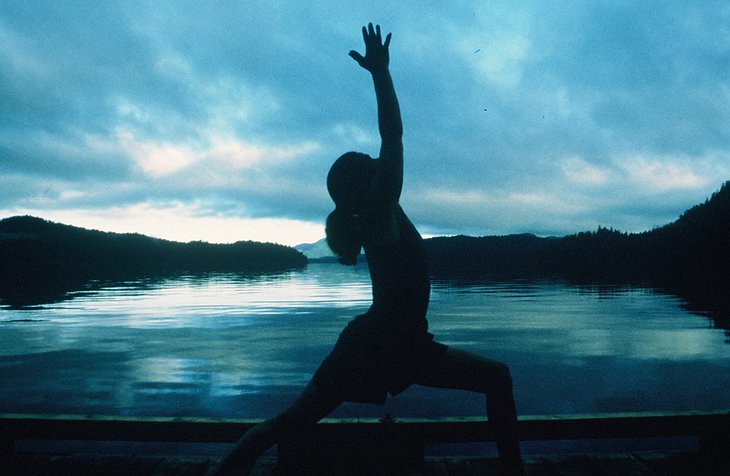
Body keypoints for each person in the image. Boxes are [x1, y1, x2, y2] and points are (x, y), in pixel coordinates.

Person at [207, 23, 525, 476]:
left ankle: (222, 470)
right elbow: (392, 134)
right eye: (372, 166)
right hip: (386, 345)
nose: (381, 164)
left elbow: (388, 145)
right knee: (497, 377)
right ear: (367, 185)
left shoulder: (375, 218)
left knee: (288, 422)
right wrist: (381, 74)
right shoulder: (380, 214)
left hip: (386, 343)